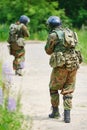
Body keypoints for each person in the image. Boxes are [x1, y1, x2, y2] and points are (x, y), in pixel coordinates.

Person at [45, 16, 82, 123]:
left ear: (51, 25)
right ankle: (67, 116)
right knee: (68, 89)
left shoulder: (53, 35)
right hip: (73, 63)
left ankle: (55, 112)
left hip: (61, 65)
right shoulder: (71, 32)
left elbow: (48, 51)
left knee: (53, 87)